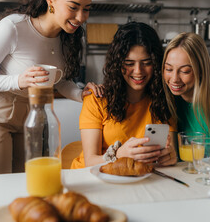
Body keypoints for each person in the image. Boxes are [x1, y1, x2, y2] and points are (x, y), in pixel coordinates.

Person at [0, 0, 103, 175]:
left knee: (25, 185)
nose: (81, 17)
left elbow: (60, 81)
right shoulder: (14, 27)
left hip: (31, 120)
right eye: (73, 7)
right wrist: (18, 81)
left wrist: (82, 94)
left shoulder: (68, 37)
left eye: (86, 9)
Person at [71, 22, 177, 169]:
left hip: (136, 179)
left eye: (146, 63)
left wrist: (170, 156)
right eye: (129, 63)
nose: (138, 71)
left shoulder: (164, 101)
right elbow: (90, 161)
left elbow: (169, 152)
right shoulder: (96, 99)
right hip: (92, 177)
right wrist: (119, 154)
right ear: (117, 63)